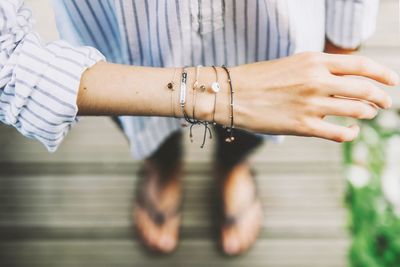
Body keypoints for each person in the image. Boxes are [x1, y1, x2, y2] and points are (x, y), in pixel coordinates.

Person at [0, 0, 397, 256]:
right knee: (138, 118)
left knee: (262, 117)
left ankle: (232, 166)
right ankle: (163, 167)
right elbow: (8, 63)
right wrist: (222, 93)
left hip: (274, 20)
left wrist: (346, 30)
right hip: (123, 31)